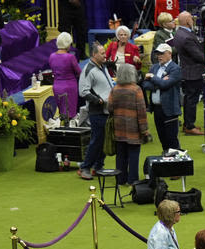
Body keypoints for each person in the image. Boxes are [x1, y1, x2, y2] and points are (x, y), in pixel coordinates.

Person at [110, 63, 150, 188]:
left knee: (120, 154)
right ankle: (132, 180)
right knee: (133, 155)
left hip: (119, 127)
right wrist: (145, 130)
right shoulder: (136, 89)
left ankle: (120, 178)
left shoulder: (114, 89)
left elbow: (109, 108)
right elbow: (142, 111)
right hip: (133, 129)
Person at [77, 43, 112, 180]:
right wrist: (98, 100)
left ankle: (98, 166)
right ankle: (85, 167)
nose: (105, 55)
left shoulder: (102, 66)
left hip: (106, 109)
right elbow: (83, 91)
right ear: (94, 54)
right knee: (97, 139)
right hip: (97, 110)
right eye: (102, 53)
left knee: (104, 139)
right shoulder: (89, 70)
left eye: (105, 53)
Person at [169, 13, 205, 137]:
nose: (193, 20)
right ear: (186, 21)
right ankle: (189, 126)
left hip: (188, 70)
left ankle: (188, 124)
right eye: (191, 18)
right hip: (193, 71)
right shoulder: (186, 37)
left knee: (189, 99)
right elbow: (197, 55)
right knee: (192, 100)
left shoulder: (180, 33)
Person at [144, 44, 184, 154]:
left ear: (169, 54)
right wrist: (159, 82)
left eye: (162, 53)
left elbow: (165, 84)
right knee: (163, 139)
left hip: (170, 109)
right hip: (157, 109)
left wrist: (153, 77)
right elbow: (145, 85)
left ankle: (176, 165)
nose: (159, 56)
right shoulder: (154, 67)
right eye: (158, 54)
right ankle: (166, 163)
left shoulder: (175, 68)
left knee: (172, 140)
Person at [48, 33, 81, 119]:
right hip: (69, 88)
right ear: (67, 44)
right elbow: (79, 72)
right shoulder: (70, 57)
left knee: (61, 114)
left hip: (56, 87)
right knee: (71, 115)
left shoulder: (52, 56)